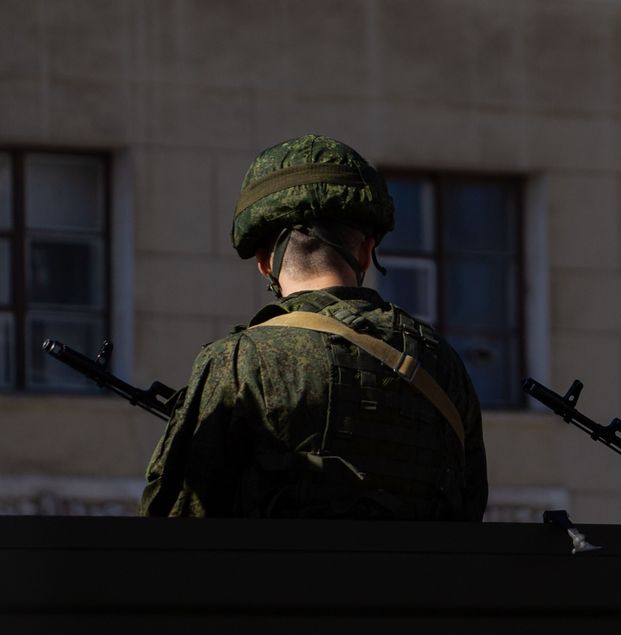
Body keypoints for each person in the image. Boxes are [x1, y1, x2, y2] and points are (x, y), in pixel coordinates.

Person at [141, 134, 488, 519]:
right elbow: (470, 510)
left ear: (264, 262)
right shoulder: (441, 363)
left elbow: (171, 527)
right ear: (365, 252)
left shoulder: (240, 362)